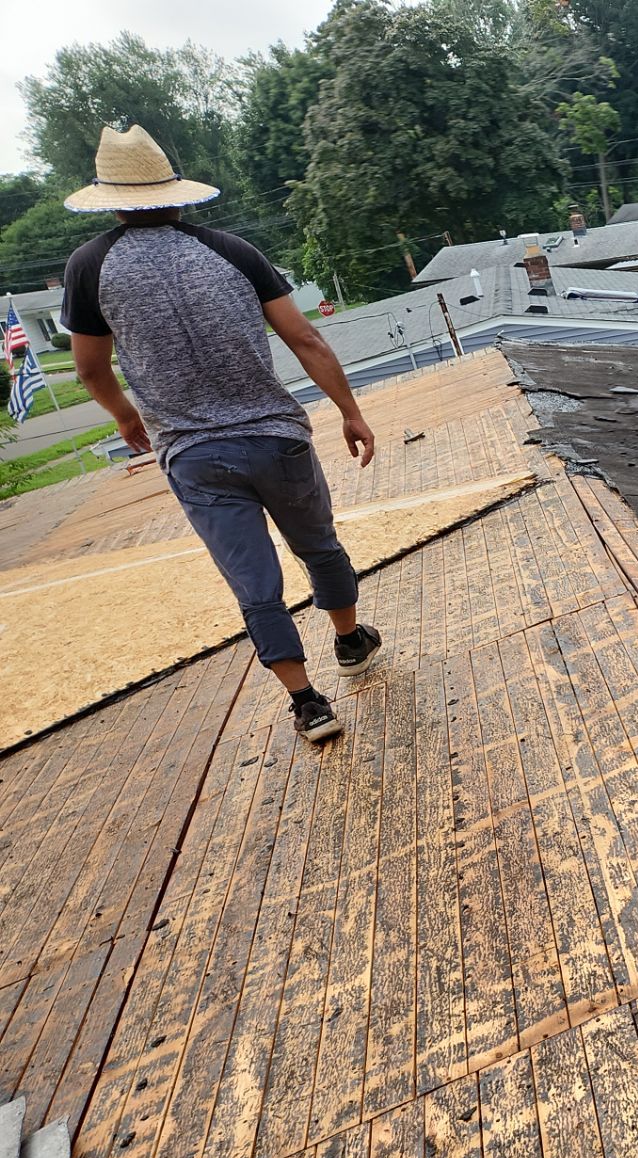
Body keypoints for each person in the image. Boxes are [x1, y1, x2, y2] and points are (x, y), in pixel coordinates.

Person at [60, 124, 383, 744]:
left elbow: (91, 369)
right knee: (319, 547)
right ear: (175, 193)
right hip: (276, 438)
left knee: (254, 582)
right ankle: (350, 642)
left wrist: (127, 417)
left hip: (193, 455)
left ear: (111, 201)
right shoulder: (233, 250)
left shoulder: (89, 266)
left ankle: (308, 704)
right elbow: (306, 338)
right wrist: (350, 411)